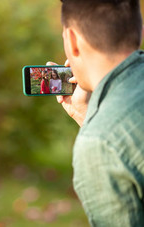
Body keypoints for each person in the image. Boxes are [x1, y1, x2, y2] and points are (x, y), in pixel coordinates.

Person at [55, 0, 144, 225]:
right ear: (140, 31)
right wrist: (87, 117)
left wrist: (96, 133)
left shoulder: (99, 143)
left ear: (73, 40)